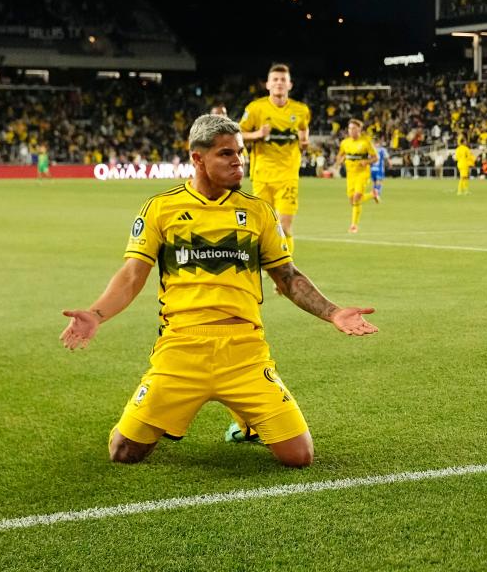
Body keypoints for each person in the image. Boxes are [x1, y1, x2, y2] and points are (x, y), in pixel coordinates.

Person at [60, 114, 378, 466]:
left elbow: (287, 277)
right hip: (181, 349)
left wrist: (332, 312)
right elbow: (133, 275)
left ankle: (248, 422)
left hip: (244, 350)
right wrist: (97, 313)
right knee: (124, 453)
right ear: (198, 158)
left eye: (240, 152)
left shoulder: (258, 211)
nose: (238, 161)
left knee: (299, 456)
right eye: (226, 154)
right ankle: (169, 412)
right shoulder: (161, 209)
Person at [237, 64, 311, 256]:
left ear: (290, 85)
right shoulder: (255, 108)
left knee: (284, 227)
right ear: (268, 84)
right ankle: (267, 267)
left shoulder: (300, 110)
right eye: (275, 80)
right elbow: (238, 134)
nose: (279, 83)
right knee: (264, 228)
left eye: (283, 80)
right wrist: (258, 134)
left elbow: (304, 127)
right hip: (262, 176)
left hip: (287, 177)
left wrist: (304, 140)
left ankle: (286, 276)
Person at [334, 119, 379, 234]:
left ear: (359, 129)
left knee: (356, 197)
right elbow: (339, 157)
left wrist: (367, 162)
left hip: (362, 173)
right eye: (349, 128)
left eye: (353, 128)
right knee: (352, 200)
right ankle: (372, 195)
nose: (351, 131)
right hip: (350, 175)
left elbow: (375, 158)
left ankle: (353, 225)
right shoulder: (345, 143)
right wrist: (340, 160)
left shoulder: (365, 142)